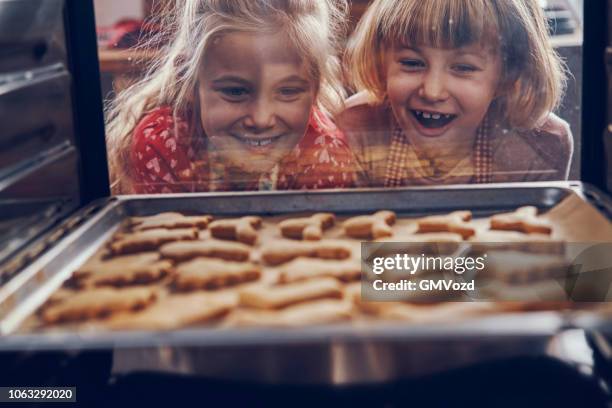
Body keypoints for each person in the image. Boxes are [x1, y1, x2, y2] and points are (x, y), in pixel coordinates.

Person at [106, 0, 356, 194]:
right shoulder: (162, 142)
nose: (261, 119)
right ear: (189, 80)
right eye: (235, 91)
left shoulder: (325, 152)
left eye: (288, 91)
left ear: (315, 89)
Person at [339, 0, 573, 187]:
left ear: (507, 76)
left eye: (463, 67)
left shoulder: (540, 146)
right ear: (381, 63)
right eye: (412, 63)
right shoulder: (353, 129)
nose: (432, 91)